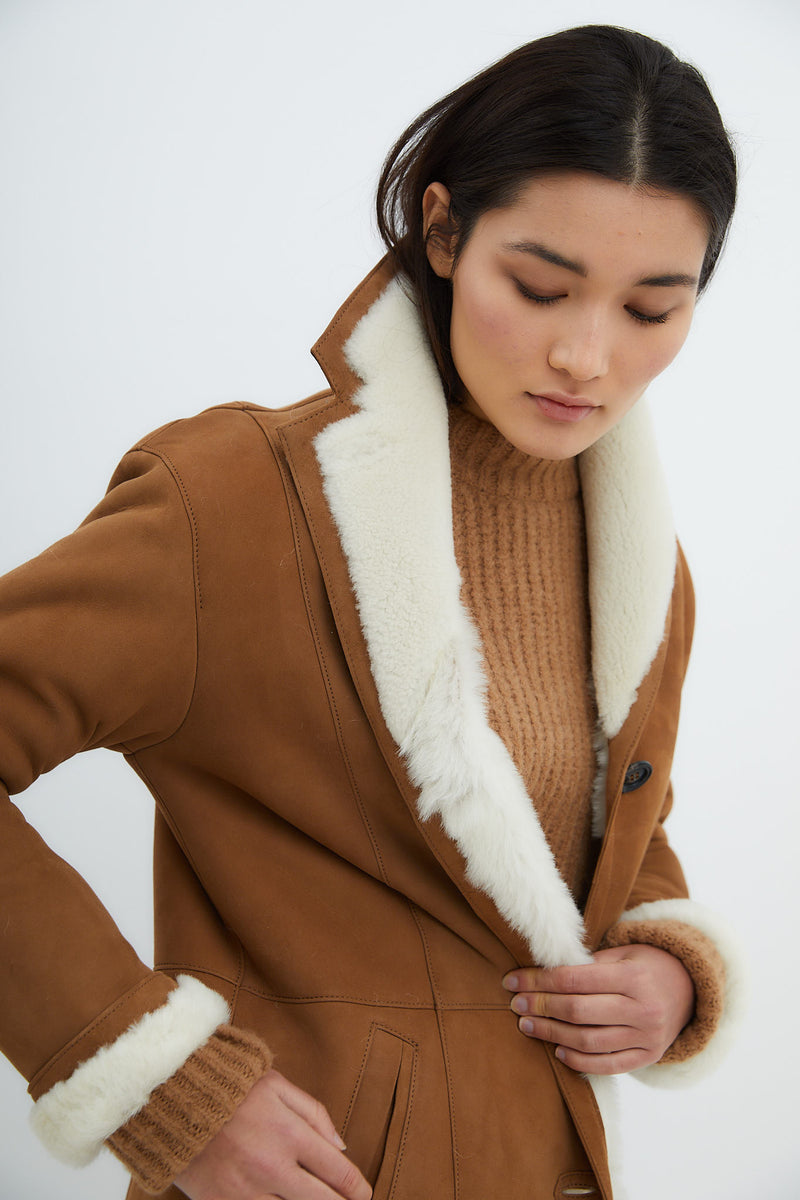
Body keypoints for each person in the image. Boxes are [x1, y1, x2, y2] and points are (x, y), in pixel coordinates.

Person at [0, 24, 743, 1200]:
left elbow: (600, 839)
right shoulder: (235, 505)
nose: (583, 354)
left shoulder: (640, 560)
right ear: (442, 233)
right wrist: (151, 1080)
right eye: (538, 287)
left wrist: (666, 963)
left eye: (652, 309)